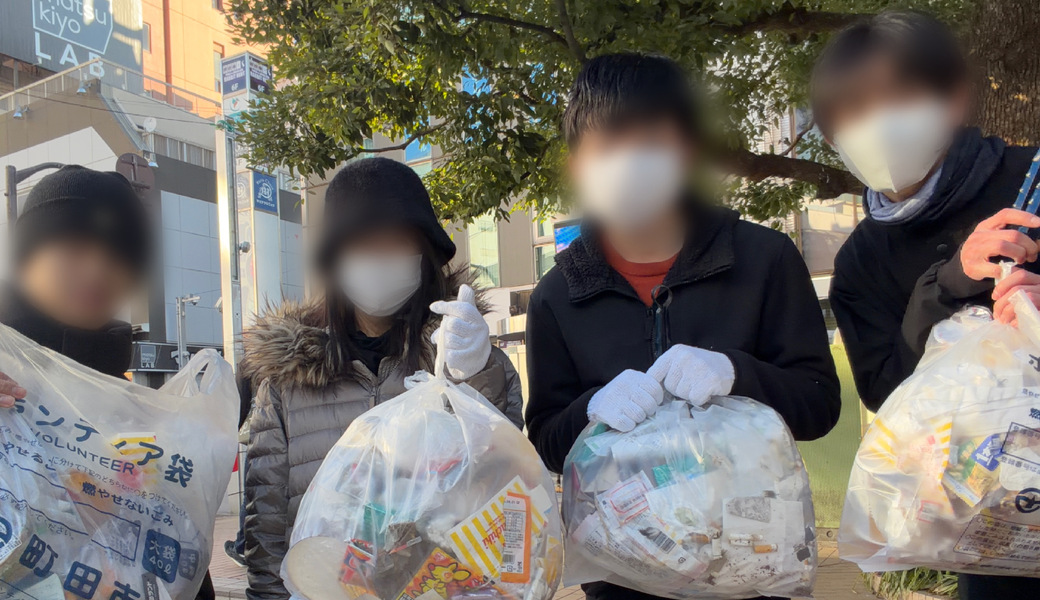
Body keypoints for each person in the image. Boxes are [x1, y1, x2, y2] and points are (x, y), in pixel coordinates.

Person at [524, 53, 841, 600]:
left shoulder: (764, 259)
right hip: (622, 577)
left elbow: (818, 404)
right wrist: (592, 408)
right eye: (608, 147)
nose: (630, 161)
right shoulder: (557, 295)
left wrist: (735, 373)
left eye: (650, 141)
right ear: (578, 164)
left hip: (751, 568)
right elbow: (549, 442)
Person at [816, 11, 1040, 599]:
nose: (877, 125)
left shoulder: (1031, 182)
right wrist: (949, 283)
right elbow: (887, 394)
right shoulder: (862, 260)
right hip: (992, 533)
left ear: (954, 98)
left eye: (897, 98)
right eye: (852, 114)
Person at [240, 157, 524, 600]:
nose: (378, 259)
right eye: (361, 245)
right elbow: (268, 532)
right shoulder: (284, 384)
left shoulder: (463, 356)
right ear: (335, 260)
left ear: (425, 253)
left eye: (395, 242)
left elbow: (505, 474)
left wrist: (476, 372)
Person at [0, 166, 216, 600]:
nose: (99, 269)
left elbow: (175, 553)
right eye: (75, 246)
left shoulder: (132, 410)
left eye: (120, 255)